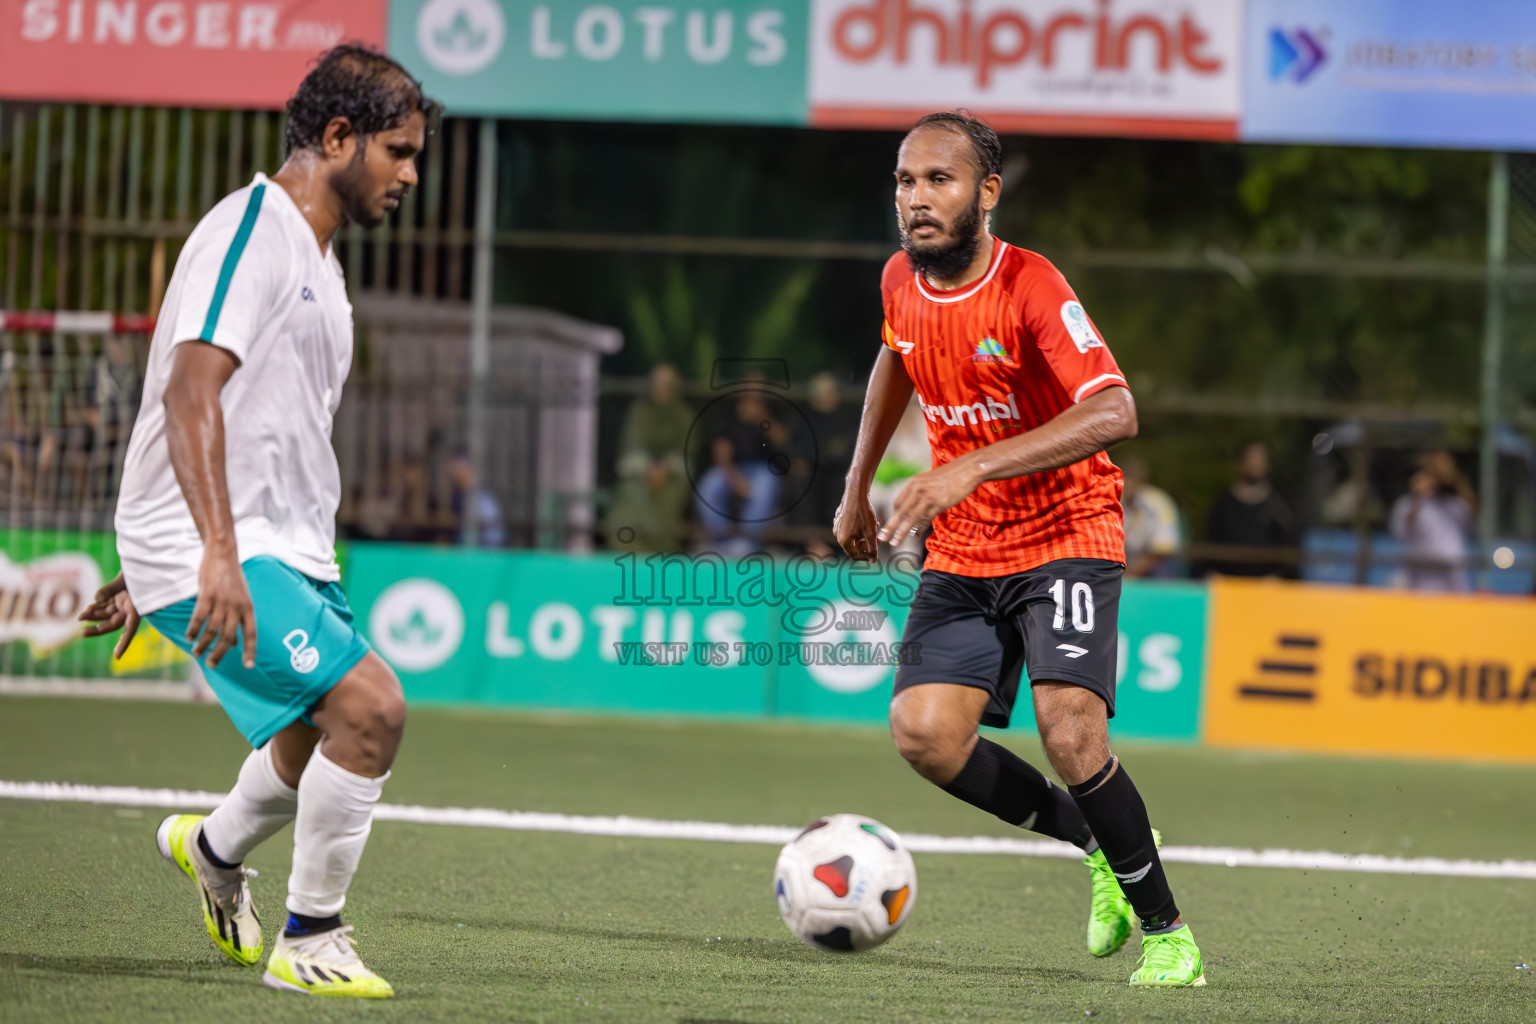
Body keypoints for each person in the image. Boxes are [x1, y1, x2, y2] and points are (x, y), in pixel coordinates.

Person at [78, 46, 436, 999]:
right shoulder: (255, 232)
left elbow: (252, 423)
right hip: (220, 545)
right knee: (372, 708)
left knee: (311, 737)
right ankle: (310, 939)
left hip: (277, 541)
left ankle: (212, 847)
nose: (410, 176)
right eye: (398, 152)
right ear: (336, 138)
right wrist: (198, 552)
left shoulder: (319, 263)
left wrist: (151, 553)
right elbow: (192, 392)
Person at [835, 112, 1203, 988]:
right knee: (924, 734)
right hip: (967, 547)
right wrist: (855, 484)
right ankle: (1097, 842)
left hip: (1067, 530)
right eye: (904, 182)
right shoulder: (900, 280)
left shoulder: (1032, 285)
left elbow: (1115, 412)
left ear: (986, 194)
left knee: (1070, 730)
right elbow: (897, 355)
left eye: (939, 181)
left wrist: (968, 471)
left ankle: (1169, 936)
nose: (916, 200)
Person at [605, 363, 694, 551]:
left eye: (666, 384)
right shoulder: (639, 411)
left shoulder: (684, 415)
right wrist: (648, 469)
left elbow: (687, 451)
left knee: (668, 502)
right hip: (640, 474)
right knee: (631, 499)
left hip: (672, 477)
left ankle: (660, 551)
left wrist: (665, 469)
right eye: (658, 383)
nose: (661, 388)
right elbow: (631, 445)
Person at [694, 390, 790, 557]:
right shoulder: (728, 417)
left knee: (766, 484)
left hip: (763, 470)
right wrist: (736, 480)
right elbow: (721, 453)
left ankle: (747, 542)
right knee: (709, 484)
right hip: (731, 469)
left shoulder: (771, 413)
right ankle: (721, 541)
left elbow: (783, 440)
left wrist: (761, 417)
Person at [1389, 449, 1475, 592]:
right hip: (1419, 580)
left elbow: (1473, 513)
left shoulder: (1454, 504)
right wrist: (1417, 495)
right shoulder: (1406, 504)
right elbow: (1402, 530)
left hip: (1451, 580)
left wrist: (1453, 477)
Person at [1205, 442, 1294, 577]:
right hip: (1228, 582)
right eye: (1251, 458)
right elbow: (1211, 544)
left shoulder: (1278, 506)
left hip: (1267, 585)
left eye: (1260, 458)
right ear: (1239, 463)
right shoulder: (1223, 505)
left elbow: (1287, 549)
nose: (1255, 464)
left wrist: (1277, 576)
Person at [1120, 456, 1182, 579]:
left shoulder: (1158, 502)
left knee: (1163, 569)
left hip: (1155, 563)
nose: (1127, 487)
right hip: (1122, 559)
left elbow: (1163, 549)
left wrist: (1132, 573)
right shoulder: (1113, 499)